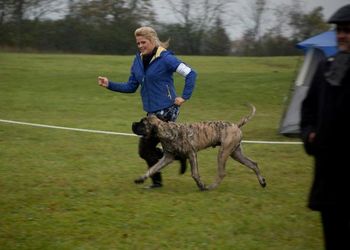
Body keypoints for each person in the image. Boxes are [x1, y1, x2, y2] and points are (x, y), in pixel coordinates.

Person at [98, 26, 197, 189]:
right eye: (138, 43)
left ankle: (161, 177)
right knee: (146, 150)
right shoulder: (137, 60)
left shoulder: (166, 58)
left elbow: (191, 73)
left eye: (143, 42)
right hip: (151, 112)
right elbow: (131, 87)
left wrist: (184, 96)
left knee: (145, 148)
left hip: (167, 110)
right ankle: (177, 157)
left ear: (152, 41)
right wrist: (109, 84)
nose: (140, 46)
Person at [300, 4, 350, 250]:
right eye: (339, 30)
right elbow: (308, 108)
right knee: (333, 236)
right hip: (329, 171)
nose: (342, 35)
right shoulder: (326, 67)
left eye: (348, 30)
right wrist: (309, 133)